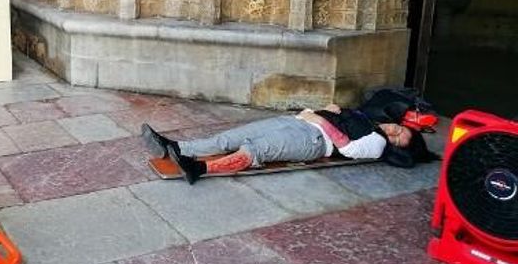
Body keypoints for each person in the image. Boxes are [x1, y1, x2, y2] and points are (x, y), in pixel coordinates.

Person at [142, 104, 427, 184]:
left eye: (402, 136)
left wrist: (318, 118)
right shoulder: (371, 122)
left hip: (313, 139)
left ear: (400, 147)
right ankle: (179, 148)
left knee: (255, 149)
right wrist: (332, 110)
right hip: (299, 122)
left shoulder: (377, 145)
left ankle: (199, 169)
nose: (397, 130)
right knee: (231, 137)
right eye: (401, 127)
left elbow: (347, 147)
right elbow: (343, 122)